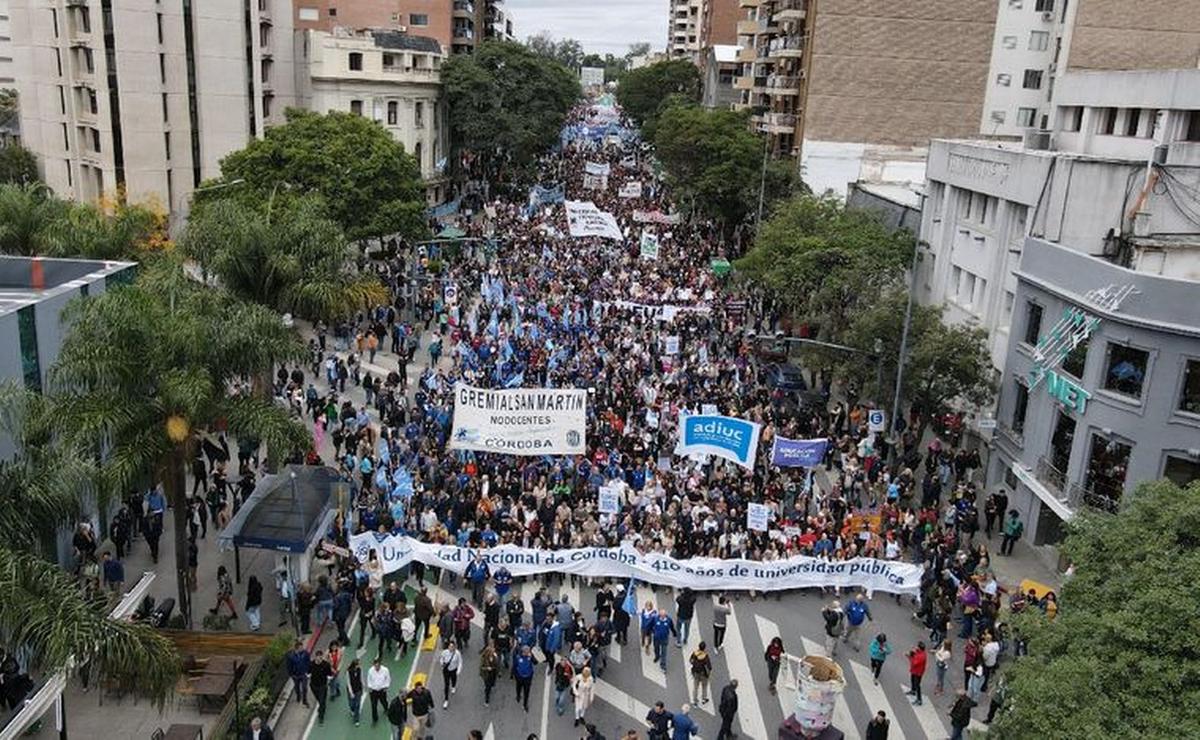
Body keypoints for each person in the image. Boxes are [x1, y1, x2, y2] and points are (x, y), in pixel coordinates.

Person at [285, 640, 310, 707]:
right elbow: (288, 666)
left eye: (302, 647)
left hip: (303, 674)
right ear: (297, 648)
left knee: (304, 687)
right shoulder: (290, 656)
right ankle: (298, 696)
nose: (302, 649)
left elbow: (308, 662)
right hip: (295, 675)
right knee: (297, 687)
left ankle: (304, 700)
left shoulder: (305, 653)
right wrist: (291, 674)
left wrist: (307, 671)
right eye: (300, 648)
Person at [309, 649, 332, 723]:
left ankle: (321, 716)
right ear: (315, 657)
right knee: (319, 700)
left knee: (322, 701)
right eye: (318, 657)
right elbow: (308, 673)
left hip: (322, 686)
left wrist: (328, 681)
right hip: (314, 685)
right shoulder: (311, 664)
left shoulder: (326, 665)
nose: (319, 659)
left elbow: (329, 675)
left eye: (321, 658)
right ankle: (321, 707)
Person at [367, 656, 391, 725]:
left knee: (384, 701)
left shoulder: (385, 670)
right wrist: (370, 687)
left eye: (378, 666)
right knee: (373, 705)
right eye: (375, 666)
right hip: (373, 691)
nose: (376, 667)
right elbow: (369, 679)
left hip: (382, 690)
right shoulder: (370, 670)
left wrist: (386, 686)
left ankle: (386, 709)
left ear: (380, 664)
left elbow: (388, 678)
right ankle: (375, 719)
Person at [512, 645, 537, 712]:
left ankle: (525, 704)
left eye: (528, 651)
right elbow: (514, 667)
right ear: (523, 652)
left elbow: (535, 662)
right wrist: (516, 676)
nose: (528, 653)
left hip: (527, 678)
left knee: (526, 692)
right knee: (518, 688)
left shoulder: (530, 657)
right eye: (527, 652)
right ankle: (518, 696)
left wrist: (532, 657)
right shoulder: (518, 657)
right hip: (520, 677)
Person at [439, 639, 462, 709]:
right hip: (446, 670)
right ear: (448, 646)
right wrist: (442, 663)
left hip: (453, 670)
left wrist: (458, 671)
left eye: (452, 646)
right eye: (450, 646)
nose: (451, 648)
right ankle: (446, 700)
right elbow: (441, 659)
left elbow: (460, 662)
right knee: (446, 684)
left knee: (453, 679)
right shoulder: (444, 652)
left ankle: (453, 686)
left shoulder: (457, 653)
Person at [689, 641, 712, 705]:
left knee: (695, 687)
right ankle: (704, 699)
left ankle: (695, 701)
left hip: (695, 673)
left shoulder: (695, 653)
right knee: (704, 686)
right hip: (703, 674)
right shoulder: (705, 656)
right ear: (704, 648)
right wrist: (709, 674)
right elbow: (709, 667)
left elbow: (690, 661)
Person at [346, 657, 363, 726]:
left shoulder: (360, 670)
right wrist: (351, 692)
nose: (359, 665)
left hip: (358, 689)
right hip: (351, 689)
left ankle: (356, 719)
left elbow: (361, 678)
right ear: (355, 665)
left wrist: (363, 686)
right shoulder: (348, 671)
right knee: (351, 703)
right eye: (358, 664)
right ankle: (352, 709)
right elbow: (348, 682)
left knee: (357, 704)